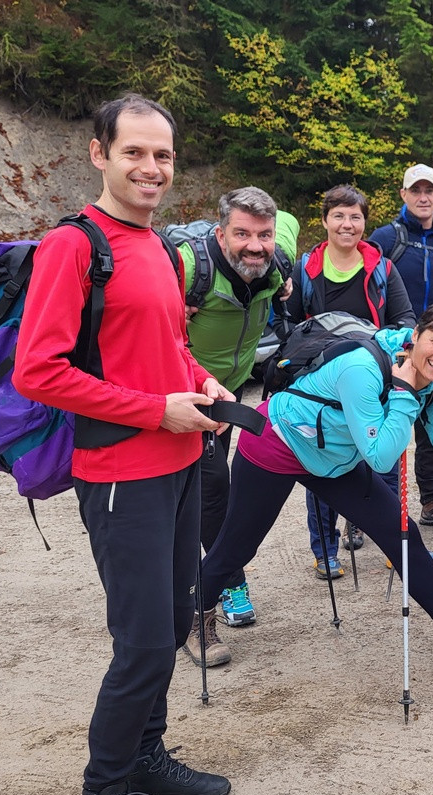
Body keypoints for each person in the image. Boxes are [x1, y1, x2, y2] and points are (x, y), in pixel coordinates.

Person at [14, 94, 233, 795]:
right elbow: (38, 371)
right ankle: (105, 786)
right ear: (99, 154)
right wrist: (154, 411)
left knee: (170, 625)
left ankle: (146, 757)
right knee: (140, 644)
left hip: (179, 464)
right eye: (133, 151)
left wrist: (201, 384)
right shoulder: (73, 246)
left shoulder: (163, 248)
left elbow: (169, 343)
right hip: (118, 472)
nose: (150, 167)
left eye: (162, 154)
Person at [197, 301, 433, 680]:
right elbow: (381, 459)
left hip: (334, 458)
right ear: (415, 337)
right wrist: (401, 391)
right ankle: (192, 616)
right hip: (279, 441)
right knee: (237, 547)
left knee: (400, 532)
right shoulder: (363, 368)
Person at [177, 188, 297, 668]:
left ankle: (214, 582)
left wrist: (284, 283)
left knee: (207, 492)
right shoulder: (188, 267)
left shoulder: (277, 261)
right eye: (242, 233)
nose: (255, 245)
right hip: (181, 395)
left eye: (263, 235)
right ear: (219, 231)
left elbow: (286, 219)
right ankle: (215, 591)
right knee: (206, 492)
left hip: (229, 398)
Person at [284, 184, 428, 577]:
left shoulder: (382, 268)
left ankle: (393, 542)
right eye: (339, 216)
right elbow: (290, 326)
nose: (347, 224)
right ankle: (325, 550)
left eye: (355, 217)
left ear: (365, 222)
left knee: (384, 461)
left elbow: (406, 321)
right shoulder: (306, 268)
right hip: (322, 387)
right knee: (322, 461)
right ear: (326, 220)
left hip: (372, 377)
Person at [369, 164, 433, 532]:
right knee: (383, 428)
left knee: (431, 428)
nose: (423, 197)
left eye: (430, 191)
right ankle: (370, 508)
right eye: (416, 191)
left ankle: (431, 502)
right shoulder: (386, 237)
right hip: (396, 350)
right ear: (404, 195)